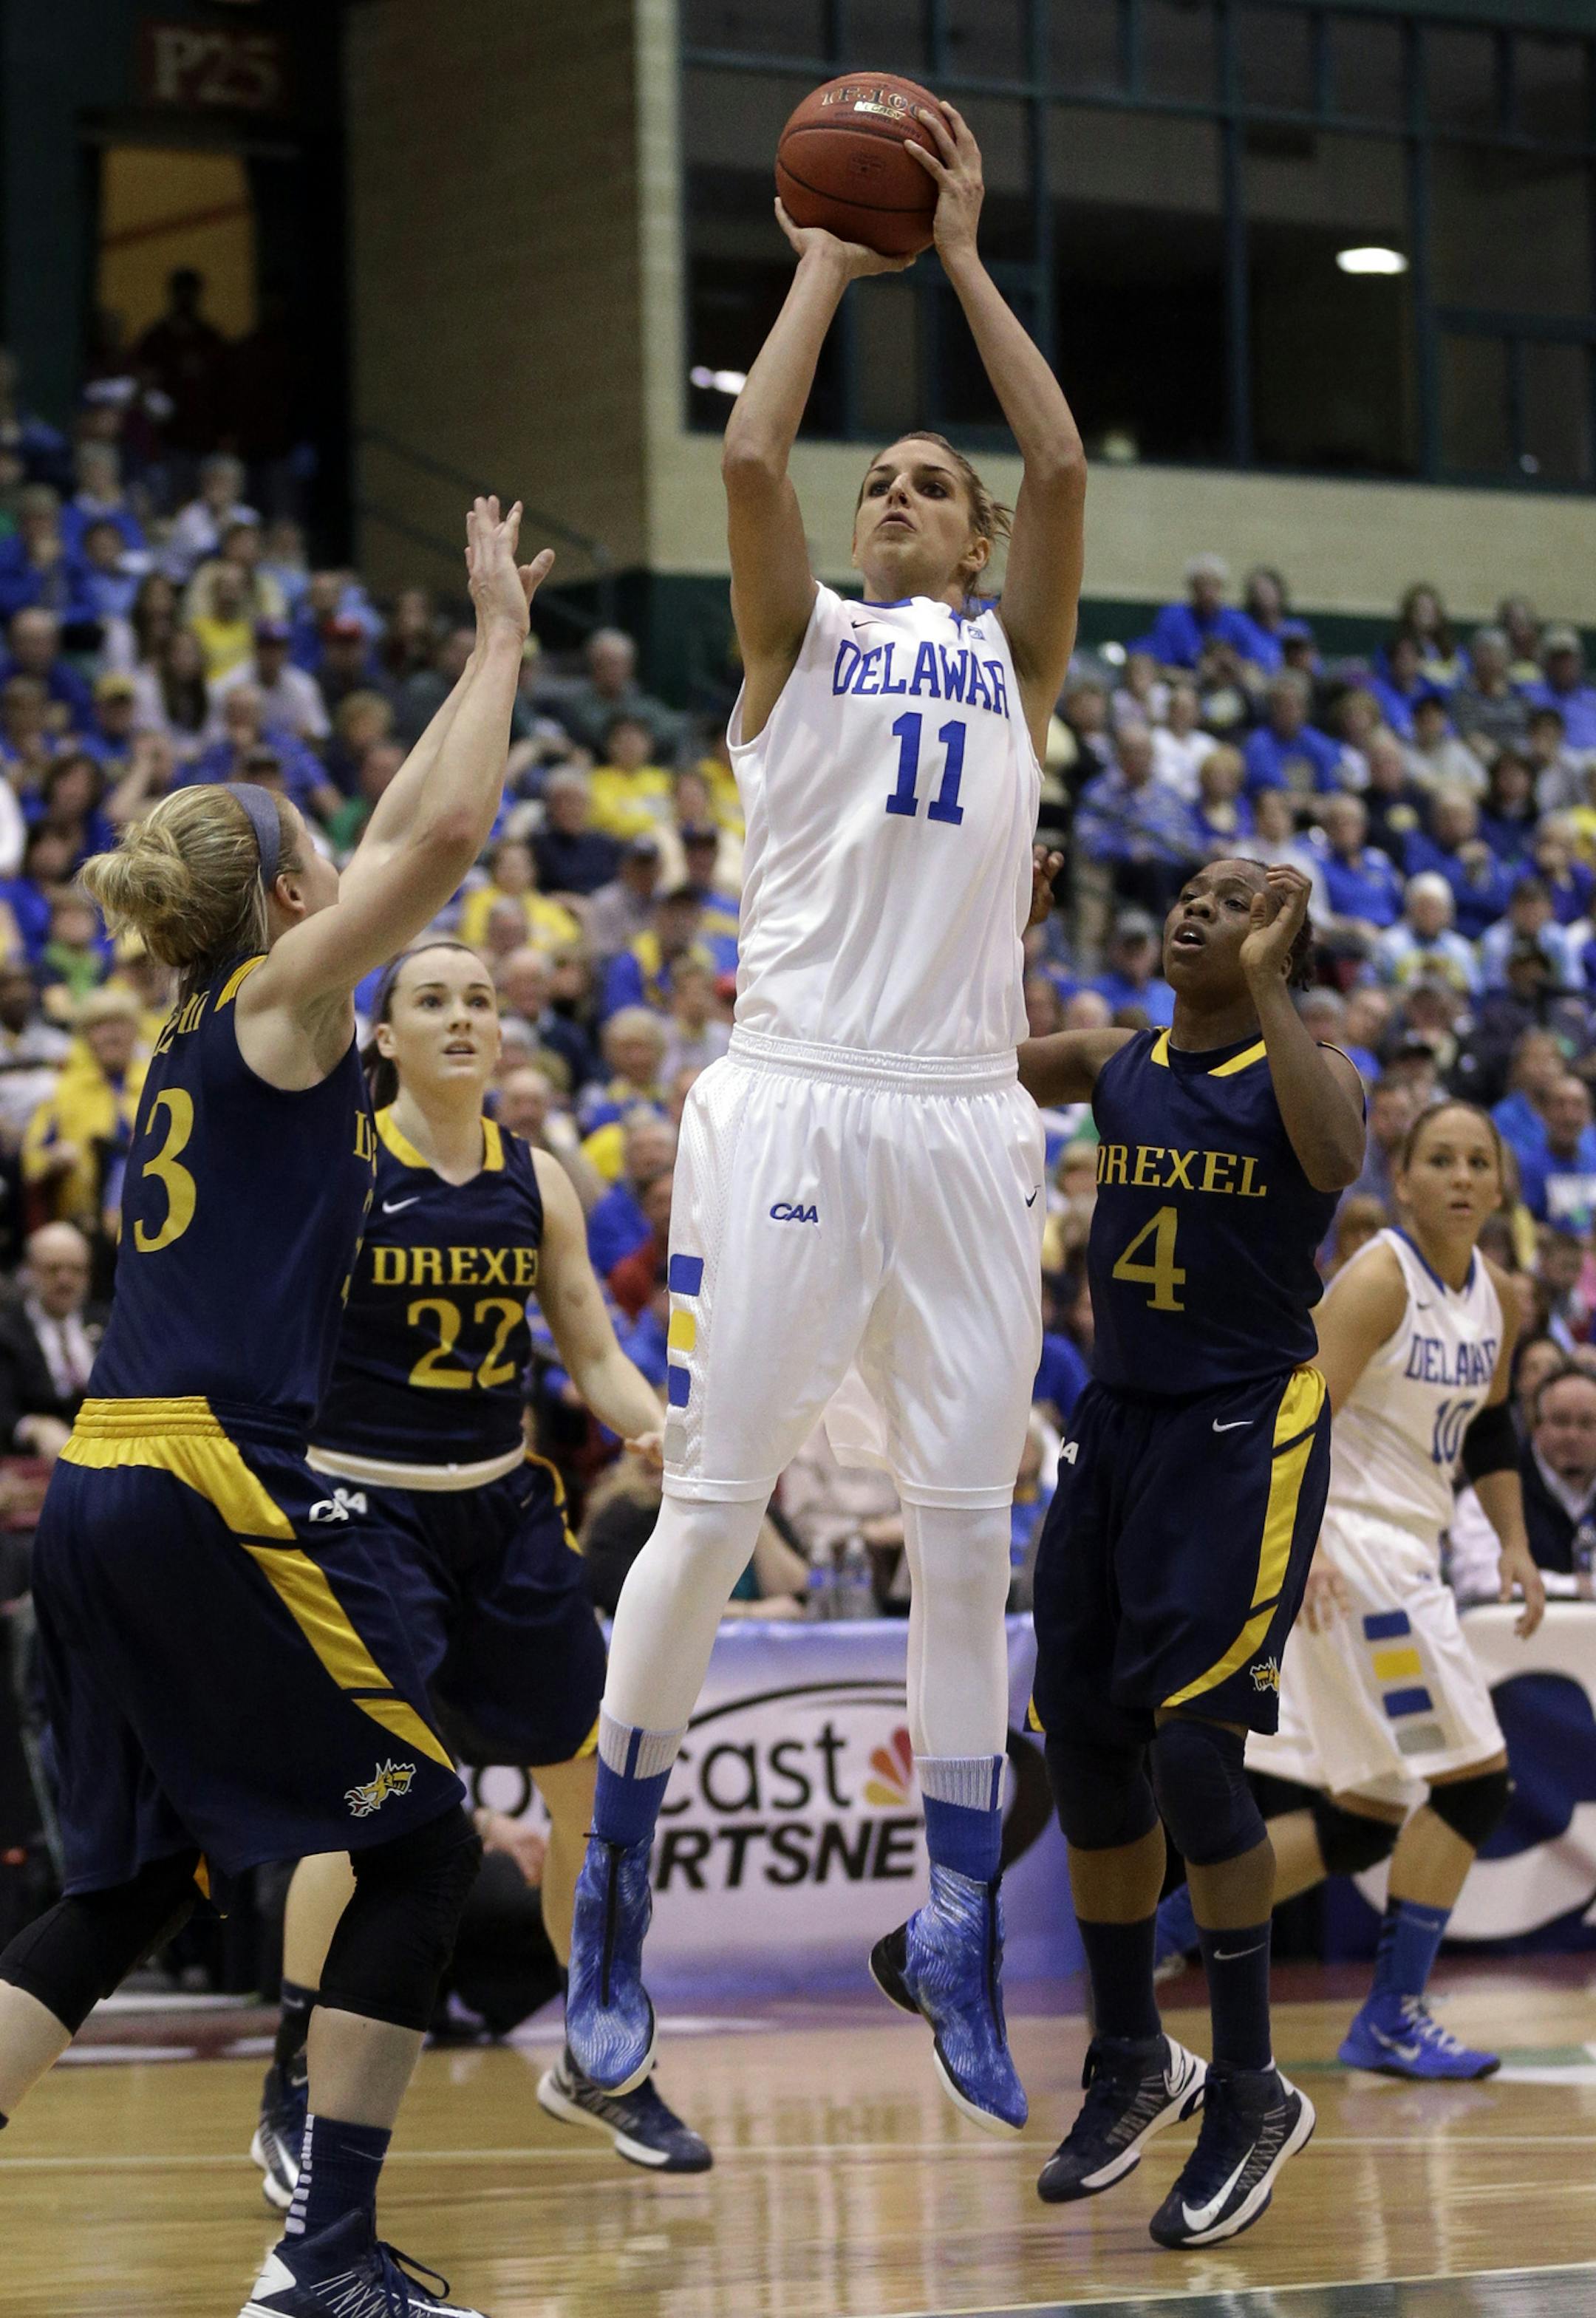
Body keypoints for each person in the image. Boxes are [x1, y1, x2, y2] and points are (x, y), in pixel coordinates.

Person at [564, 103, 1085, 2137]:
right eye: (886, 479)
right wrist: (823, 263)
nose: (896, 492)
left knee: (970, 1540)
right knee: (709, 1500)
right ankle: (613, 1911)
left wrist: (959, 255)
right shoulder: (801, 640)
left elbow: (1055, 461)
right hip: (790, 1098)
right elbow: (755, 455)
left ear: (966, 542)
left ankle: (949, 1919)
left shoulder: (1016, 657)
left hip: (961, 1122)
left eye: (924, 485)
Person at [0, 496, 549, 2318]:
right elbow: (450, 828)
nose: (355, 856)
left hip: (100, 1491)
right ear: (298, 901)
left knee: (129, 1888)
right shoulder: (286, 1008)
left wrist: (490, 643)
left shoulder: (202, 1018)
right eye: (329, 854)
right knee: (417, 1847)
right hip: (208, 1480)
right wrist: (488, 654)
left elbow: (401, 821)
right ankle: (326, 2258)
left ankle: (329, 2244)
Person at [250, 940, 704, 2212]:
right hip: (361, 1509)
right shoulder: (340, 1169)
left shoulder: (539, 1177)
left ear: (504, 1034)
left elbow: (592, 1348)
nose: (462, 1016)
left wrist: (649, 1419)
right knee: (380, 1797)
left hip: (503, 1509)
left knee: (589, 1786)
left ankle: (602, 2050)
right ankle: (292, 2072)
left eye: (481, 1000)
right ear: (380, 1036)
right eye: (432, 1000)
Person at [1020, 859, 1365, 2246]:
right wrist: (1007, 922)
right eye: (1193, 892)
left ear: (1283, 938)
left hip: (1242, 1430)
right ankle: (1126, 2056)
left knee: (1198, 1752)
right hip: (1119, 1423)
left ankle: (1248, 2083)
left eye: (1237, 900)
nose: (1196, 908)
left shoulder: (1310, 1065)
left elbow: (1339, 1162)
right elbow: (974, 1060)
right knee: (1091, 1743)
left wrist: (1274, 982)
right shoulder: (1120, 1062)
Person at [1156, 1103, 1544, 2078]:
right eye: (1439, 1160)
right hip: (1354, 1550)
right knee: (1478, 1783)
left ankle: (1144, 1934)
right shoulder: (1380, 1278)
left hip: (1406, 1553)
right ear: (1401, 1183)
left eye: (1477, 1163)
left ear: (1500, 1188)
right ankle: (1393, 2014)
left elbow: (1491, 1431)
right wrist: (1309, 1542)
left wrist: (1514, 1542)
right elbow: (1297, 1409)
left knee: (1364, 1813)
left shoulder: (1500, 1295)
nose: (1460, 1177)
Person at [0, 1221, 104, 1462]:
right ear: (29, 1271)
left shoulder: (110, 1326)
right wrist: (32, 1427)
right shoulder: (7, 1333)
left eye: (76, 1270)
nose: (65, 1280)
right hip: (36, 1463)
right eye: (53, 1269)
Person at [1520, 1362, 1596, 1575]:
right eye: (1561, 1421)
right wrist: (1577, 1589)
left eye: (1587, 1423)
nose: (1573, 1435)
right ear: (1536, 1426)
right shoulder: (1499, 1485)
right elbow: (1478, 1580)